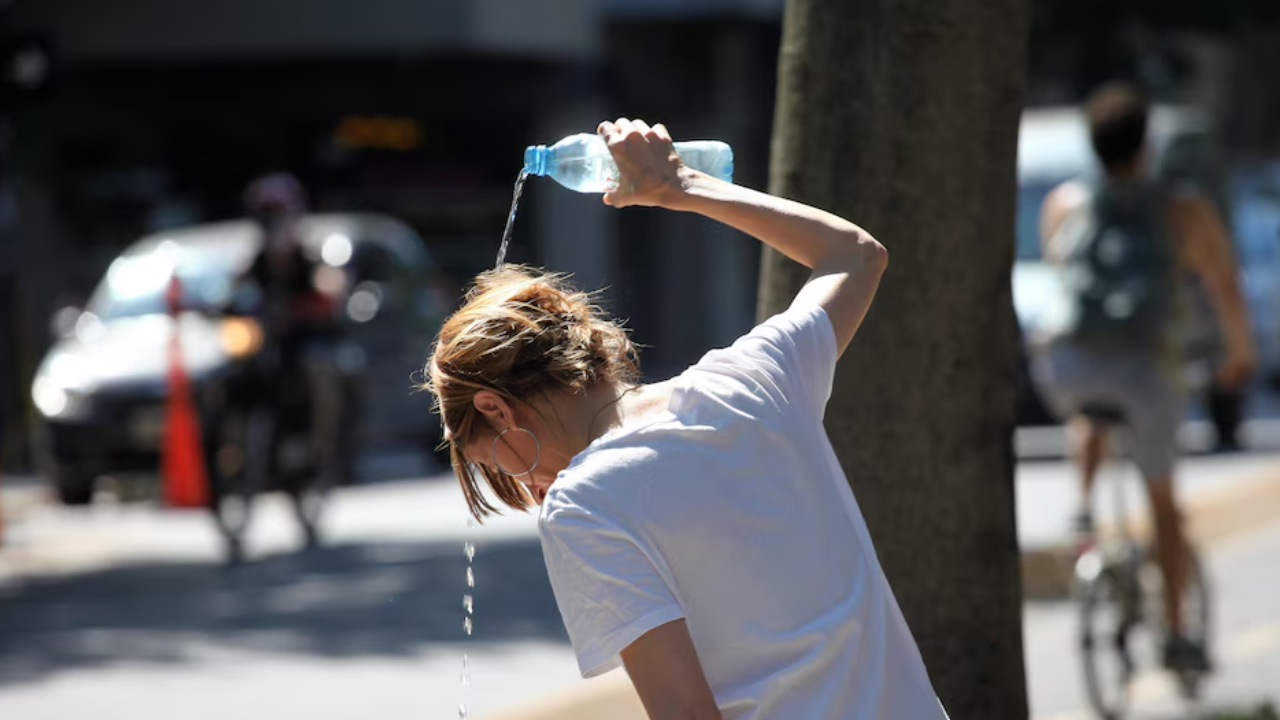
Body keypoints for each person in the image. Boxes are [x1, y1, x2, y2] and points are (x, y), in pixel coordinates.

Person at [426, 119, 946, 719]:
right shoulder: (754, 377)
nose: (530, 491)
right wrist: (682, 185)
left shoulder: (584, 506)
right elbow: (855, 255)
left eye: (499, 465)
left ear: (495, 407)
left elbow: (684, 711)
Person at [1034, 84, 1255, 671]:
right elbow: (1226, 289)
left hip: (1067, 366)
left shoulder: (1064, 202)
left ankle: (1084, 513)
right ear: (1146, 143)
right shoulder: (1182, 208)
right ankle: (1178, 634)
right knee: (1164, 507)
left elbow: (1063, 279)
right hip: (1146, 369)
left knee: (1088, 412)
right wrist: (1238, 355)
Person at [240, 173, 346, 492]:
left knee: (318, 368)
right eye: (265, 216)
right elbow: (232, 292)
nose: (272, 224)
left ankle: (320, 447)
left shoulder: (309, 255)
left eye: (277, 214)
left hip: (305, 341)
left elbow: (331, 284)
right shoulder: (255, 261)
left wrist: (317, 301)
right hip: (266, 344)